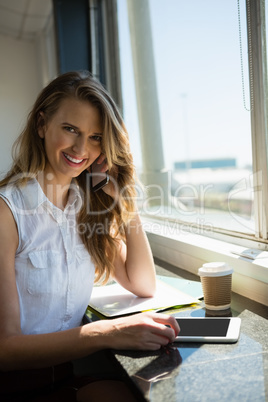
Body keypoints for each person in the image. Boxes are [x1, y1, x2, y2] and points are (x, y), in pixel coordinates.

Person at [0, 71, 180, 401]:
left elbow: (142, 284)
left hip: (60, 379)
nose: (82, 148)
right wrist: (107, 332)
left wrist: (125, 201)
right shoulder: (6, 214)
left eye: (96, 137)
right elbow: (6, 350)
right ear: (42, 125)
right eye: (71, 129)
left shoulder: (84, 208)